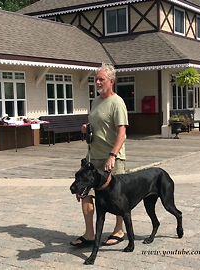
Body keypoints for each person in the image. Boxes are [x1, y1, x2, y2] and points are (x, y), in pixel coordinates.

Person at [70, 63, 129, 247]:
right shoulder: (96, 101)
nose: (97, 82)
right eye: (96, 79)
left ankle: (119, 230)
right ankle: (89, 233)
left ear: (111, 81)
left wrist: (112, 155)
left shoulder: (117, 102)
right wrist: (86, 129)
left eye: (101, 79)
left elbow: (122, 133)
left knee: (116, 197)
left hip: (111, 159)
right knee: (84, 193)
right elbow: (98, 126)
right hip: (93, 159)